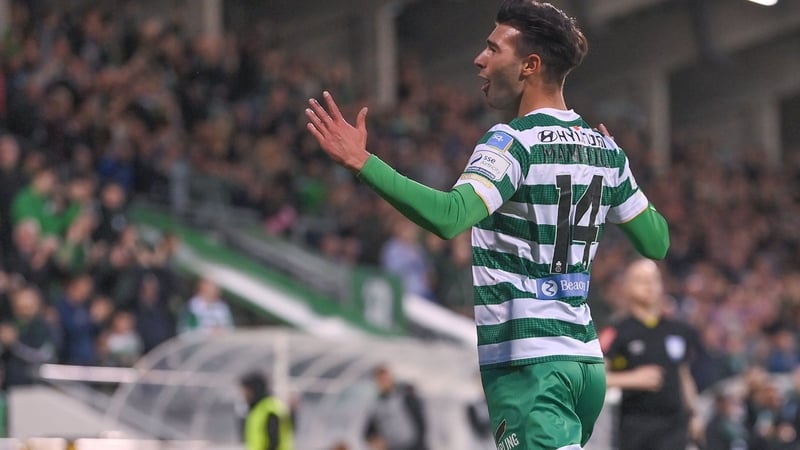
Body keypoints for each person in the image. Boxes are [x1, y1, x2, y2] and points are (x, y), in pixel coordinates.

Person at [304, 1, 669, 448]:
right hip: (583, 363)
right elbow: (657, 241)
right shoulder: (605, 151)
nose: (480, 60)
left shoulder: (513, 142)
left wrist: (363, 162)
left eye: (494, 49)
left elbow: (448, 216)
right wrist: (619, 167)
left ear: (529, 66)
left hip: (531, 365)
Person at [602, 259, 702, 450]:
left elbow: (683, 374)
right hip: (636, 428)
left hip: (674, 427)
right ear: (627, 287)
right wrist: (632, 378)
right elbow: (596, 376)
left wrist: (694, 414)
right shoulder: (617, 331)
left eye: (654, 279)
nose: (649, 285)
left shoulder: (677, 330)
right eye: (641, 280)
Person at [363, 365, 427, 450]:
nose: (384, 382)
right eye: (380, 380)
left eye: (386, 379)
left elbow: (421, 420)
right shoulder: (375, 405)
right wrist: (374, 439)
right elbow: (368, 431)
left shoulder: (405, 396)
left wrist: (421, 443)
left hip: (414, 445)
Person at [238, 371, 294, 450]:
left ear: (254, 390)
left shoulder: (269, 409)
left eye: (246, 390)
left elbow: (274, 441)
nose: (243, 394)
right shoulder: (257, 410)